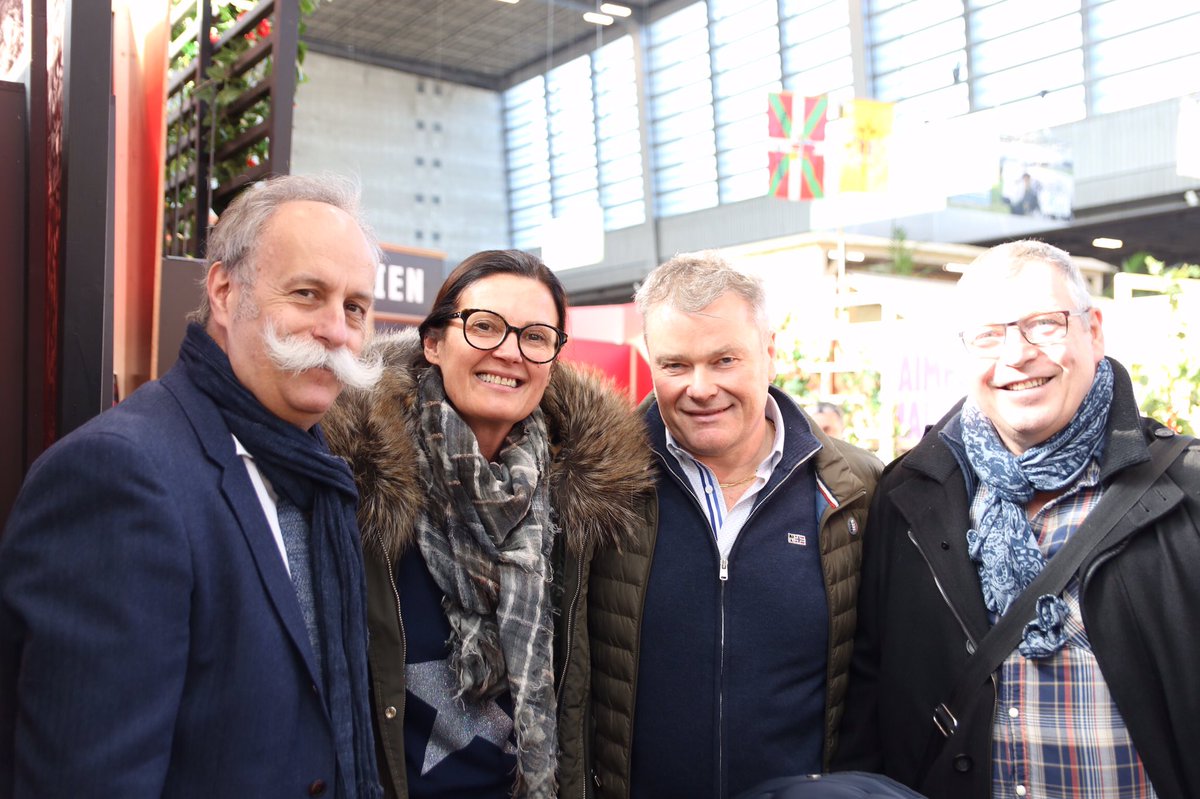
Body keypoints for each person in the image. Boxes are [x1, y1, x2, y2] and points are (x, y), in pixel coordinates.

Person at [0, 174, 385, 798]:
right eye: (307, 294)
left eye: (355, 308)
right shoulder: (120, 475)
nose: (336, 330)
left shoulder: (317, 473)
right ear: (225, 293)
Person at [836, 240, 1200, 798]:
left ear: (1094, 331)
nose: (1017, 354)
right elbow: (871, 695)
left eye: (1044, 324)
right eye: (988, 335)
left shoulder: (1184, 489)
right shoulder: (910, 493)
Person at [322, 249, 655, 798]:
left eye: (535, 336)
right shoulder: (356, 482)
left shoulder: (586, 499)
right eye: (484, 326)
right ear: (433, 343)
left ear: (552, 360)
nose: (509, 352)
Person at [592, 251, 882, 798]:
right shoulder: (598, 483)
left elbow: (881, 681)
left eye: (724, 360)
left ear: (769, 354)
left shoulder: (856, 490)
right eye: (675, 365)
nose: (701, 388)